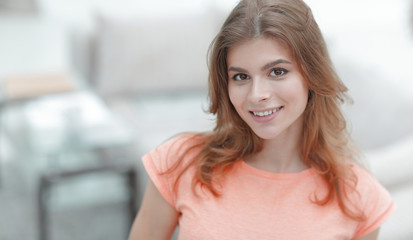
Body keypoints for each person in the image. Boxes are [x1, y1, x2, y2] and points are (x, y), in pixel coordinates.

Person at [128, 0, 396, 239]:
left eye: (277, 71)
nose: (257, 95)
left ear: (311, 75)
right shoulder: (179, 162)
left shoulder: (359, 196)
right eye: (241, 77)